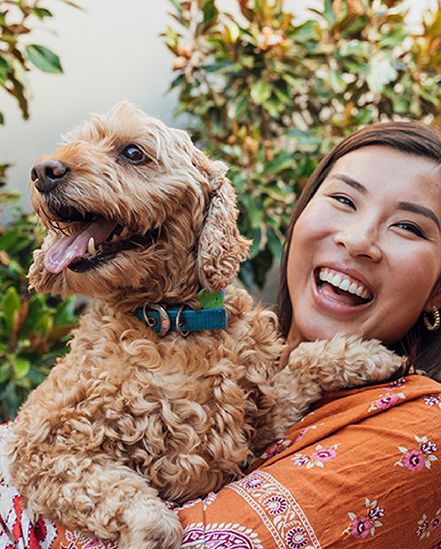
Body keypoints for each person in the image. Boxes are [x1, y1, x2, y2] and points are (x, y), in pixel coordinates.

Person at [1, 120, 441, 548]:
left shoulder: (424, 428)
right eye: (344, 200)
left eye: (409, 226)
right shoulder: (247, 352)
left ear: (210, 203)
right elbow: (34, 453)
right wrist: (128, 509)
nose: (358, 239)